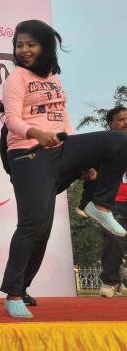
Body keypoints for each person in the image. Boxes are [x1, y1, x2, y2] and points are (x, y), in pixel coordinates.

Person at [0, 20, 127, 319]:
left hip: (62, 149)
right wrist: (36, 134)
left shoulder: (54, 78)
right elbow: (10, 119)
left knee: (120, 141)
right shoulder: (16, 78)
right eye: (20, 45)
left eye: (31, 44)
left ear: (45, 46)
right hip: (29, 154)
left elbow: (63, 121)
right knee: (36, 226)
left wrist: (83, 161)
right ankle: (14, 293)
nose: (24, 50)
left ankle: (99, 204)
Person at [79, 106, 127, 297]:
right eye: (121, 120)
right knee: (114, 239)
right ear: (110, 124)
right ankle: (110, 281)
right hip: (112, 201)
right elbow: (87, 169)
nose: (125, 123)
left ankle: (119, 280)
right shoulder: (103, 145)